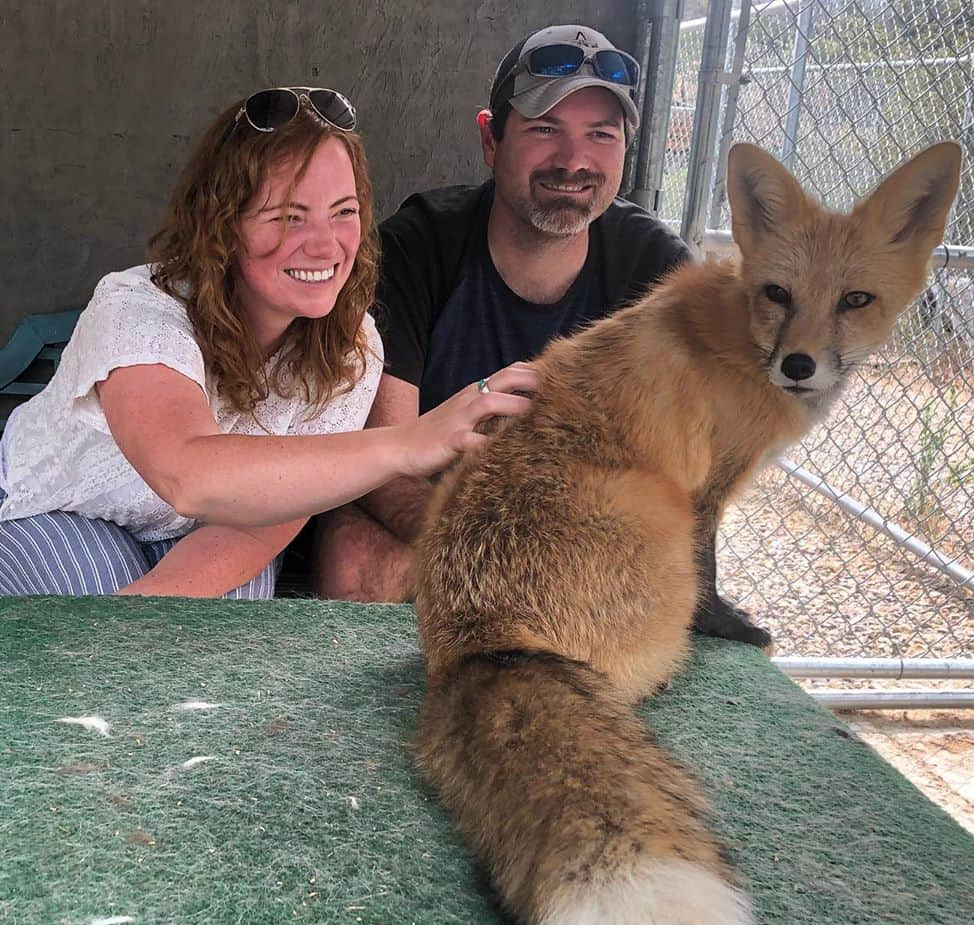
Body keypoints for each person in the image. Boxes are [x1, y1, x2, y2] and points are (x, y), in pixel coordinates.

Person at [0, 88, 536, 598]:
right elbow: (185, 474)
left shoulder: (352, 347)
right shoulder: (137, 306)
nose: (326, 245)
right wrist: (408, 443)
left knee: (224, 618)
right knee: (91, 583)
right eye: (287, 217)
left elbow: (262, 525)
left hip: (208, 526)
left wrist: (146, 621)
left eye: (344, 212)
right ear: (223, 224)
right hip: (63, 509)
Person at [313, 25, 691, 601]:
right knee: (352, 554)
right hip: (436, 519)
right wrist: (495, 553)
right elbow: (384, 465)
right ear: (491, 139)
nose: (574, 160)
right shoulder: (417, 247)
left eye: (601, 135)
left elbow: (674, 473)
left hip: (582, 532)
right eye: (545, 129)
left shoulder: (657, 269)